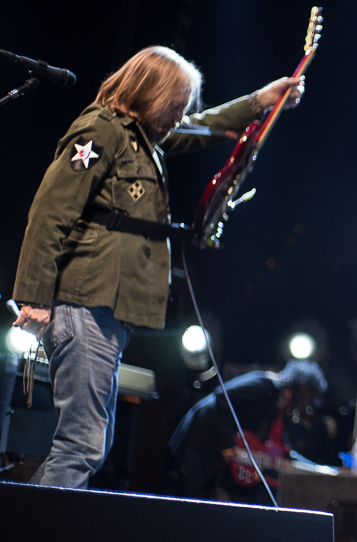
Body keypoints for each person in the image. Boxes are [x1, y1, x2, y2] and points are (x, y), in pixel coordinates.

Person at [10, 45, 304, 488]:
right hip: (85, 301)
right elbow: (50, 212)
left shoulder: (143, 140)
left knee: (92, 442)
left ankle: (29, 533)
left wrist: (259, 101)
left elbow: (198, 130)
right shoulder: (101, 130)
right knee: (82, 445)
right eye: (176, 104)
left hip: (106, 309)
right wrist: (33, 296)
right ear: (151, 92)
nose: (180, 114)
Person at [168, 360, 328, 503]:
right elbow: (223, 397)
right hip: (204, 436)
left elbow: (283, 450)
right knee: (188, 497)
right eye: (309, 396)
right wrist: (228, 444)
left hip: (215, 449)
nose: (309, 403)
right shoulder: (266, 385)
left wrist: (320, 469)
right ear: (302, 387)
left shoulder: (280, 407)